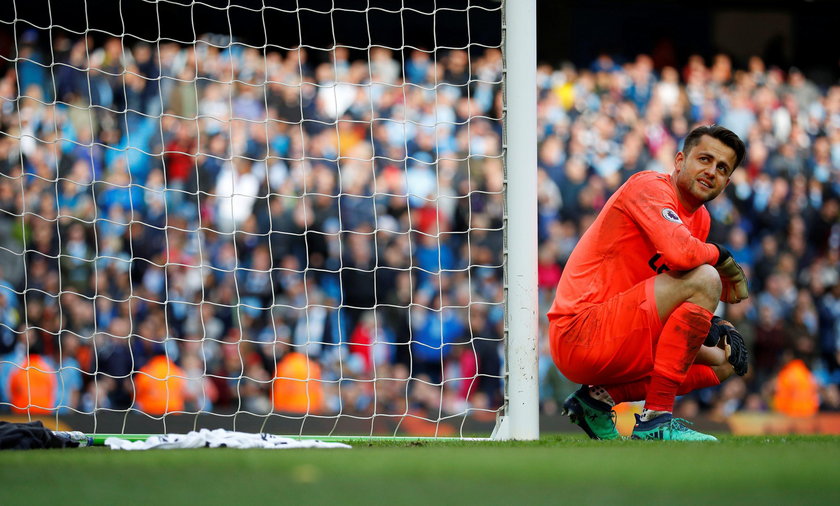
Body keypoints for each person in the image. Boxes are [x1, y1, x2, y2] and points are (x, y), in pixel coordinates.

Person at [547, 125, 750, 441]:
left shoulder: (703, 220)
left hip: (627, 330)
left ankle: (596, 401)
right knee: (708, 277)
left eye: (722, 168)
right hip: (580, 331)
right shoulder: (649, 187)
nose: (711, 172)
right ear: (680, 161)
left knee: (725, 361)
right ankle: (656, 420)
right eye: (705, 159)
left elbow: (673, 287)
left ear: (727, 182)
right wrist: (723, 258)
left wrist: (713, 324)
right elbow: (682, 255)